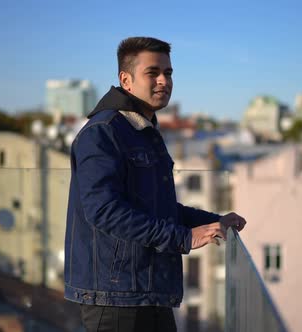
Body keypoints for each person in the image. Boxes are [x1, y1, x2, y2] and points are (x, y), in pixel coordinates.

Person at [64, 36, 246, 332]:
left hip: (146, 289)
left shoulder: (142, 129)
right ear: (126, 80)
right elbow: (103, 210)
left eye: (169, 73)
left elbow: (154, 207)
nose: (164, 80)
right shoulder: (103, 132)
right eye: (153, 73)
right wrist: (183, 238)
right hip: (116, 296)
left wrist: (213, 222)